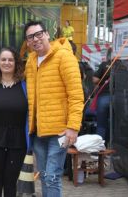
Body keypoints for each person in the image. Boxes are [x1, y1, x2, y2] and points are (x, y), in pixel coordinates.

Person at [24, 21, 84, 197]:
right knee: (44, 176)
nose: (36, 39)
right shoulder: (31, 61)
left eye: (39, 34)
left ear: (47, 34)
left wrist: (73, 127)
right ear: (27, 42)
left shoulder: (64, 57)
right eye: (30, 37)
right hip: (38, 132)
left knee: (51, 176)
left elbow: (76, 95)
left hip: (59, 132)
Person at [0, 47, 30, 197]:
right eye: (3, 59)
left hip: (18, 140)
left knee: (10, 183)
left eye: (10, 60)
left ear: (16, 62)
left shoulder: (25, 84)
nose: (7, 63)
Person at [92, 48, 112, 142]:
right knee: (113, 125)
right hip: (119, 98)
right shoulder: (122, 66)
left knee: (101, 124)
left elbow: (95, 80)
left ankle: (99, 150)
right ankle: (112, 150)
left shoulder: (104, 65)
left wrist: (103, 81)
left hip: (104, 96)